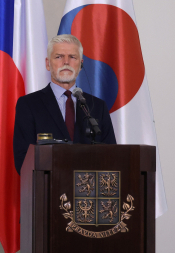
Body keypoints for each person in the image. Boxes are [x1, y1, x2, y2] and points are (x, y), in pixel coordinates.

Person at [13, 34, 116, 173]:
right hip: (48, 190)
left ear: (81, 64)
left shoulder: (97, 106)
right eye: (59, 56)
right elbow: (23, 160)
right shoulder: (29, 105)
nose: (66, 62)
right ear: (48, 64)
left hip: (89, 191)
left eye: (72, 57)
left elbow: (112, 157)